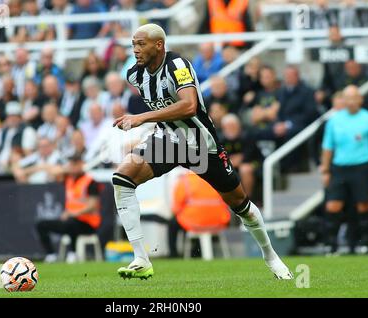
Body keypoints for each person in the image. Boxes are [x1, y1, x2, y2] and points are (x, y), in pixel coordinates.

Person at [111, 23, 292, 280]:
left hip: (200, 144)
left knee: (240, 204)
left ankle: (271, 256)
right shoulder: (135, 75)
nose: (136, 50)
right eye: (133, 45)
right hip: (169, 142)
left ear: (159, 45)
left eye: (141, 44)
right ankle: (141, 258)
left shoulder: (178, 66)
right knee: (122, 178)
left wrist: (142, 118)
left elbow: (189, 106)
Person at [321, 85, 368, 254]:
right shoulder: (334, 120)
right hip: (339, 168)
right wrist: (325, 170)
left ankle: (366, 244)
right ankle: (331, 246)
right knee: (333, 206)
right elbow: (327, 147)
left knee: (363, 205)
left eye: (355, 98)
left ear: (360, 99)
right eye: (348, 98)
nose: (351, 101)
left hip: (362, 167)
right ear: (343, 100)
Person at [36, 152, 101, 263]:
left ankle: (73, 253)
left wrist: (73, 213)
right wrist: (68, 169)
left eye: (75, 163)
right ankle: (51, 255)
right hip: (69, 220)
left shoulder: (91, 182)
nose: (72, 166)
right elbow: (53, 171)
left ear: (81, 164)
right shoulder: (68, 179)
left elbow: (92, 205)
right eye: (71, 163)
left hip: (88, 223)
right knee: (41, 224)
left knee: (72, 222)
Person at [169, 170, 231, 258]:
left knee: (174, 223)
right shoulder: (217, 178)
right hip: (218, 222)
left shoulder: (185, 181)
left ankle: (174, 255)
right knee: (185, 220)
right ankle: (197, 251)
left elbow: (176, 209)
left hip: (195, 223)